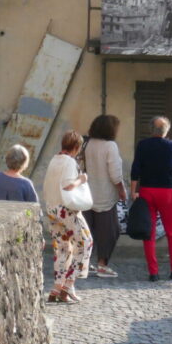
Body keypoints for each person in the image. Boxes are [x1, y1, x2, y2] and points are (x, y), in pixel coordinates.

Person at [130, 116, 172, 281]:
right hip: (166, 191)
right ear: (166, 130)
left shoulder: (142, 145)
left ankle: (153, 272)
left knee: (149, 232)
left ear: (150, 129)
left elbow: (135, 169)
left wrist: (134, 191)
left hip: (147, 190)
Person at [43, 131, 93, 304]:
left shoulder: (54, 159)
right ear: (77, 148)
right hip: (66, 209)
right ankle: (68, 285)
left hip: (52, 208)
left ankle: (56, 288)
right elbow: (68, 186)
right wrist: (82, 179)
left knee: (63, 248)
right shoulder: (70, 162)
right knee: (86, 241)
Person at [83, 114, 127, 278]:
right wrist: (122, 190)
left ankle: (84, 263)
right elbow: (115, 174)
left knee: (88, 231)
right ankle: (102, 264)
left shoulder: (87, 144)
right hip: (105, 195)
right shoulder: (110, 146)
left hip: (88, 193)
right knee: (110, 231)